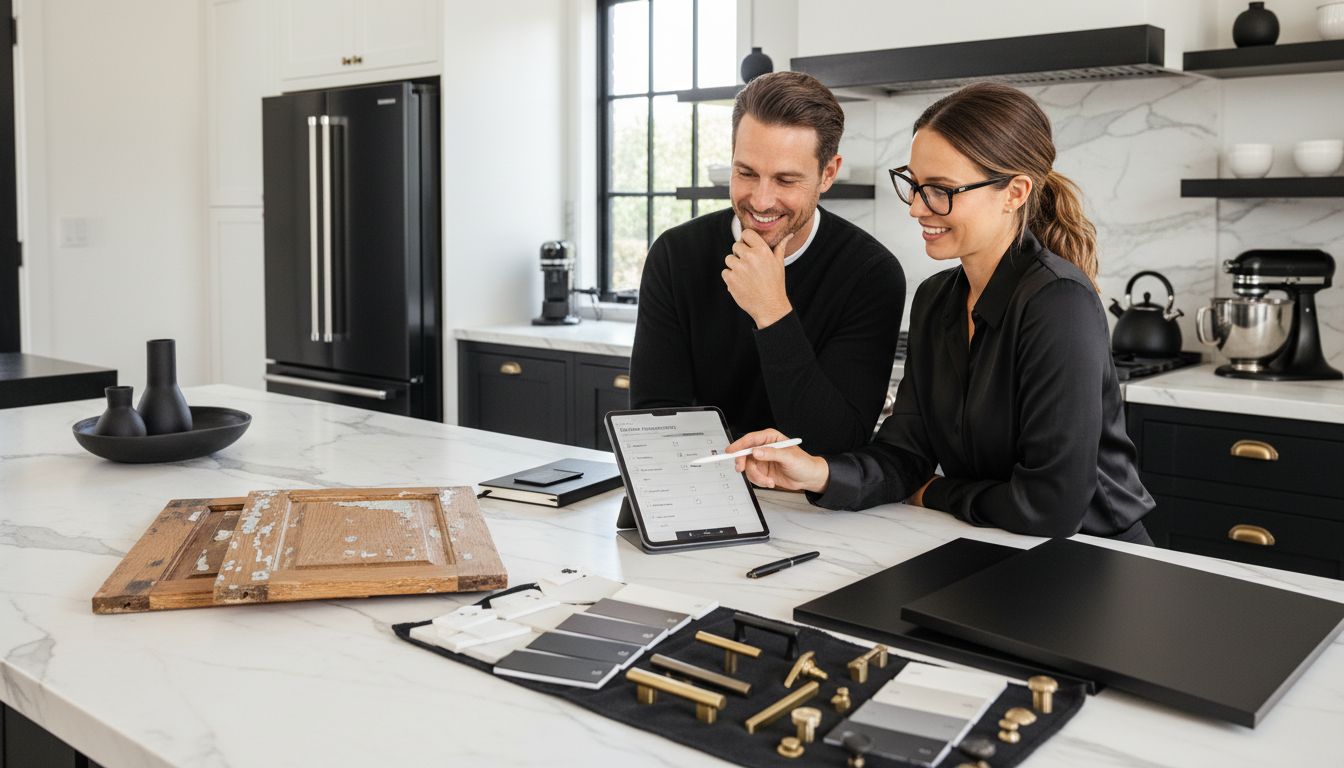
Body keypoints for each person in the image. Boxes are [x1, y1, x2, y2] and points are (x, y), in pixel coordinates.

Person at [727, 82, 1154, 543]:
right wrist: (816, 472)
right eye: (913, 184)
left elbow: (1051, 506)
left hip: (1096, 561)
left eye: (941, 190)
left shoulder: (1059, 302)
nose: (916, 207)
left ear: (1014, 192)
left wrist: (935, 493)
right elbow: (904, 455)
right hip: (1000, 545)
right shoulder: (937, 299)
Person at [629, 71, 906, 455]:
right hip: (701, 490)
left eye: (786, 180)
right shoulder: (676, 255)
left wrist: (772, 312)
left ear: (828, 173)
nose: (761, 201)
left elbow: (839, 444)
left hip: (816, 508)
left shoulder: (871, 274)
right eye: (746, 173)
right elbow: (654, 421)